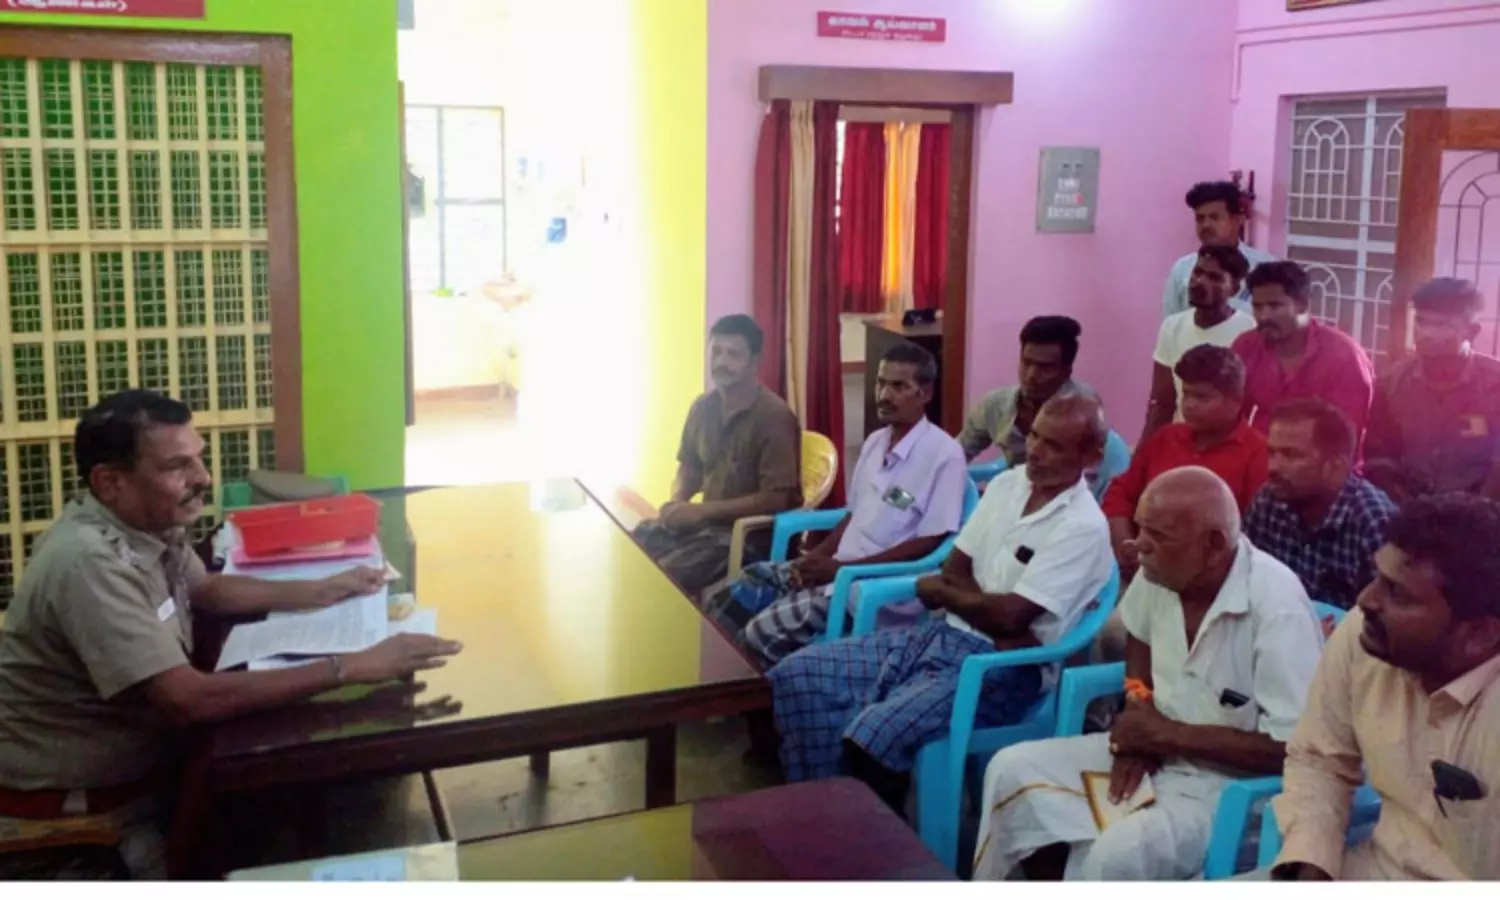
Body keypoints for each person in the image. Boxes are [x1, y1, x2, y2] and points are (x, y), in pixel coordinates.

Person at [0, 390, 463, 879]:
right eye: (177, 466)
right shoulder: (89, 563)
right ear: (111, 481)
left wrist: (323, 589)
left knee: (328, 794)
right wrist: (352, 666)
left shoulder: (144, 522)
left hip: (153, 763)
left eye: (198, 458)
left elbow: (207, 589)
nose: (202, 477)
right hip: (83, 812)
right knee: (322, 815)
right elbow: (188, 699)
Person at [974, 467, 1323, 881]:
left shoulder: (1277, 608)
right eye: (1140, 528)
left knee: (1117, 854)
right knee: (1010, 769)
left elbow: (1294, 751)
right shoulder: (1163, 570)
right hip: (1160, 753)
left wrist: (1165, 735)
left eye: (1157, 535)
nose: (1137, 545)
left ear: (1213, 545)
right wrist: (1139, 707)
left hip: (1232, 790)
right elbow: (1138, 634)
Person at [768, 393, 1114, 809]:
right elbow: (956, 567)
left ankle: (878, 839)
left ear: (1091, 457)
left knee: (871, 736)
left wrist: (951, 596)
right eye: (1035, 436)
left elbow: (1005, 614)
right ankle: (821, 810)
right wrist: (984, 608)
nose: (1035, 451)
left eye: (1053, 445)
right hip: (943, 635)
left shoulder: (1083, 526)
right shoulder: (1006, 485)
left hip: (1004, 670)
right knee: (797, 676)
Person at [1271, 494, 1500, 881]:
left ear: (1478, 634)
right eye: (1377, 576)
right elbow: (1320, 759)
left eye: (1398, 593)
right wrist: (1311, 860)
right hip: (1371, 870)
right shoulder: (1365, 636)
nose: (1365, 600)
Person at [712, 343, 967, 667]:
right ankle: (716, 683)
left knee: (759, 633)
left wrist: (846, 570)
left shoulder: (944, 456)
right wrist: (815, 558)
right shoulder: (876, 442)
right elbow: (853, 515)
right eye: (881, 383)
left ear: (925, 393)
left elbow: (930, 542)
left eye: (898, 386)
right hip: (839, 569)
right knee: (737, 595)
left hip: (872, 588)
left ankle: (755, 696)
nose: (884, 395)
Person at [633, 315, 803, 594]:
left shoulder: (774, 417)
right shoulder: (703, 407)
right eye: (716, 352)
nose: (721, 362)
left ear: (754, 362)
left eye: (733, 354)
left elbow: (776, 499)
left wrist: (701, 511)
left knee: (663, 575)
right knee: (635, 545)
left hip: (750, 538)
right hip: (708, 526)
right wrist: (678, 502)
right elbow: (689, 467)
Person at [1104, 345, 1266, 579]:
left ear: (1236, 401)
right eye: (1186, 394)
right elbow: (1121, 496)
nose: (1189, 404)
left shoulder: (1258, 453)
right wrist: (1125, 545)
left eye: (1202, 397)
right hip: (1142, 568)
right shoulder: (1166, 438)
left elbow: (1254, 536)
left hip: (1216, 579)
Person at [1243, 399, 1395, 611]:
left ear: (1336, 467)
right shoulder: (1269, 501)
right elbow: (1243, 579)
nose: (1273, 467)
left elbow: (1386, 614)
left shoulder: (1373, 521)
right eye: (1271, 453)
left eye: (1291, 455)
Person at [1365, 278, 1500, 503]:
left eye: (1442, 325)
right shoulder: (1391, 384)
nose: (1425, 333)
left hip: (1482, 513)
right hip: (1407, 509)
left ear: (1472, 332)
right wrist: (1406, 506)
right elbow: (1378, 457)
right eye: (1421, 321)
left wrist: (1472, 513)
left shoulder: (1495, 385)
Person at [1232, 261, 1374, 448]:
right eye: (1258, 307)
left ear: (1302, 305)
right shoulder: (1246, 346)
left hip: (1322, 459)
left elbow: (1348, 436)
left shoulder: (1343, 356)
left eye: (1274, 306)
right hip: (1259, 456)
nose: (1264, 316)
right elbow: (1230, 415)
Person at [1142, 245, 1257, 441]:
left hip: (1228, 443)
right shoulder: (1172, 326)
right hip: (1181, 440)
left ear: (1234, 289)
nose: (1199, 282)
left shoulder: (1249, 331)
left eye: (1214, 277)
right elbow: (1162, 401)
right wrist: (1145, 450)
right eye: (1197, 272)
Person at [1161, 181, 1276, 319]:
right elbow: (1170, 322)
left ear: (1238, 220)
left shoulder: (1266, 268)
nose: (1206, 225)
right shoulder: (1182, 268)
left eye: (1214, 217)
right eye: (1200, 218)